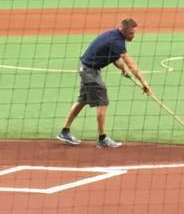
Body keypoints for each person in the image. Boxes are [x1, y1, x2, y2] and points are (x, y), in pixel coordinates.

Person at [57, 19, 148, 149]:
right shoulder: (116, 41)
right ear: (124, 31)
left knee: (82, 100)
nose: (133, 35)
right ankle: (102, 139)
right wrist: (144, 82)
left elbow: (115, 58)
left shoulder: (114, 36)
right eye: (131, 33)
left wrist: (123, 70)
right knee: (102, 101)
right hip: (90, 72)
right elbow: (131, 64)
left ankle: (64, 132)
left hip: (87, 69)